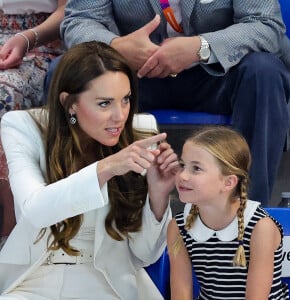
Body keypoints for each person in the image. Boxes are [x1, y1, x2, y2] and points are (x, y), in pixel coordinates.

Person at [59, 0, 290, 207]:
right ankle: (78, 210)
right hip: (136, 74)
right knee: (62, 76)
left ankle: (248, 215)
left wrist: (201, 47)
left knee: (263, 72)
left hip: (218, 71)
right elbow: (79, 20)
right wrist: (115, 47)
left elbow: (265, 24)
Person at [0, 41, 178, 299]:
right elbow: (35, 210)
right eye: (104, 103)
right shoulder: (23, 127)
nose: (119, 116)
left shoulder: (142, 133)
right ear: (69, 103)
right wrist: (107, 167)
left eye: (125, 99)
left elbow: (144, 255)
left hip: (107, 283)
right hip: (32, 280)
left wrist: (158, 197)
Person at [167, 125, 289, 299]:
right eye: (182, 165)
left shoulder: (260, 228)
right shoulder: (178, 227)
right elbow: (181, 295)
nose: (183, 176)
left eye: (196, 168)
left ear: (229, 182)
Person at [0, 0, 67, 249]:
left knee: (3, 94)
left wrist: (27, 38)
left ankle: (11, 234)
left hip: (37, 43)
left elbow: (71, 11)